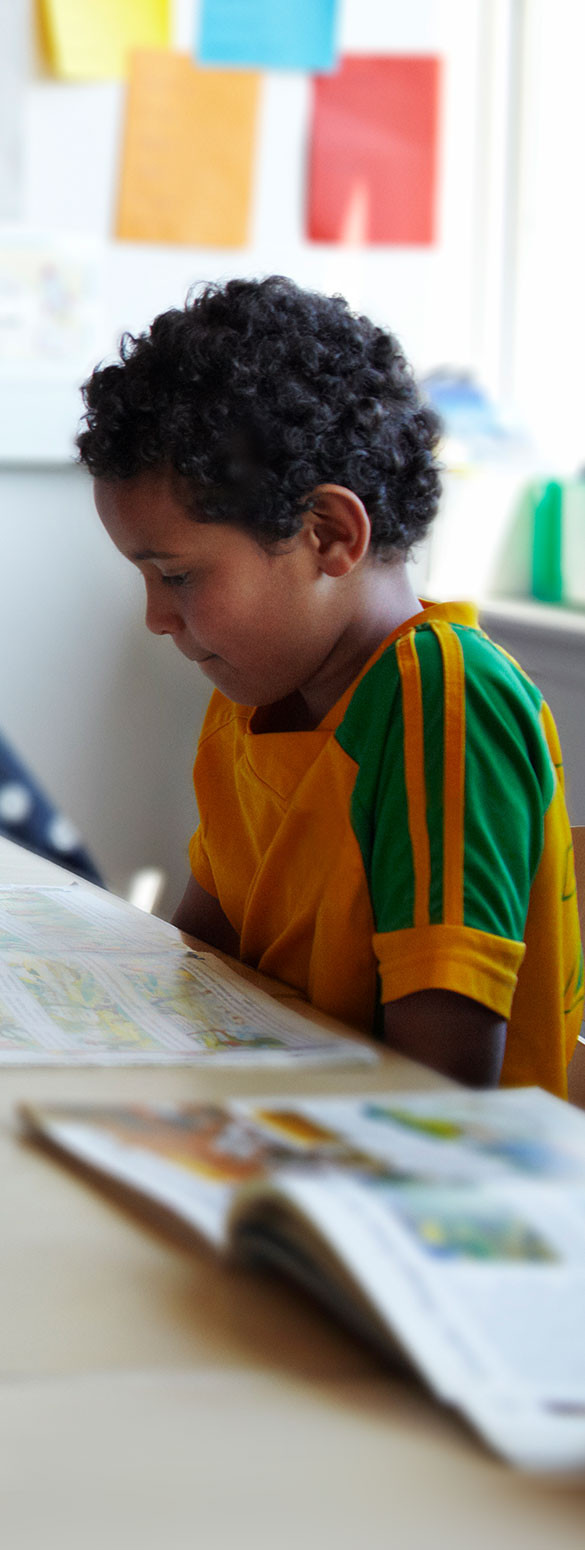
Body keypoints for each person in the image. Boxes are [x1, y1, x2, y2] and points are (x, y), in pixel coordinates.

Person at [76, 275, 583, 1096]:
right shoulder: (252, 699)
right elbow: (200, 956)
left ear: (329, 534)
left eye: (174, 575)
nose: (156, 619)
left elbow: (442, 1081)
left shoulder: (443, 699)